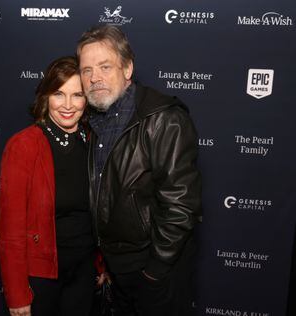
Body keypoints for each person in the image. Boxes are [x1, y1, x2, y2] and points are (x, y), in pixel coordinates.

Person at [76, 25, 202, 315]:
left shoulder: (164, 120)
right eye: (86, 70)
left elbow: (181, 205)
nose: (94, 78)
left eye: (105, 66)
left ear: (128, 68)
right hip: (114, 267)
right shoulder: (92, 122)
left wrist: (154, 272)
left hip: (154, 270)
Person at [0, 56, 98, 316]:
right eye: (58, 94)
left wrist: (101, 265)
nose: (68, 105)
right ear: (45, 97)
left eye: (77, 95)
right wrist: (17, 294)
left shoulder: (93, 142)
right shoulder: (24, 146)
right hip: (41, 277)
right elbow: (11, 229)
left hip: (85, 272)